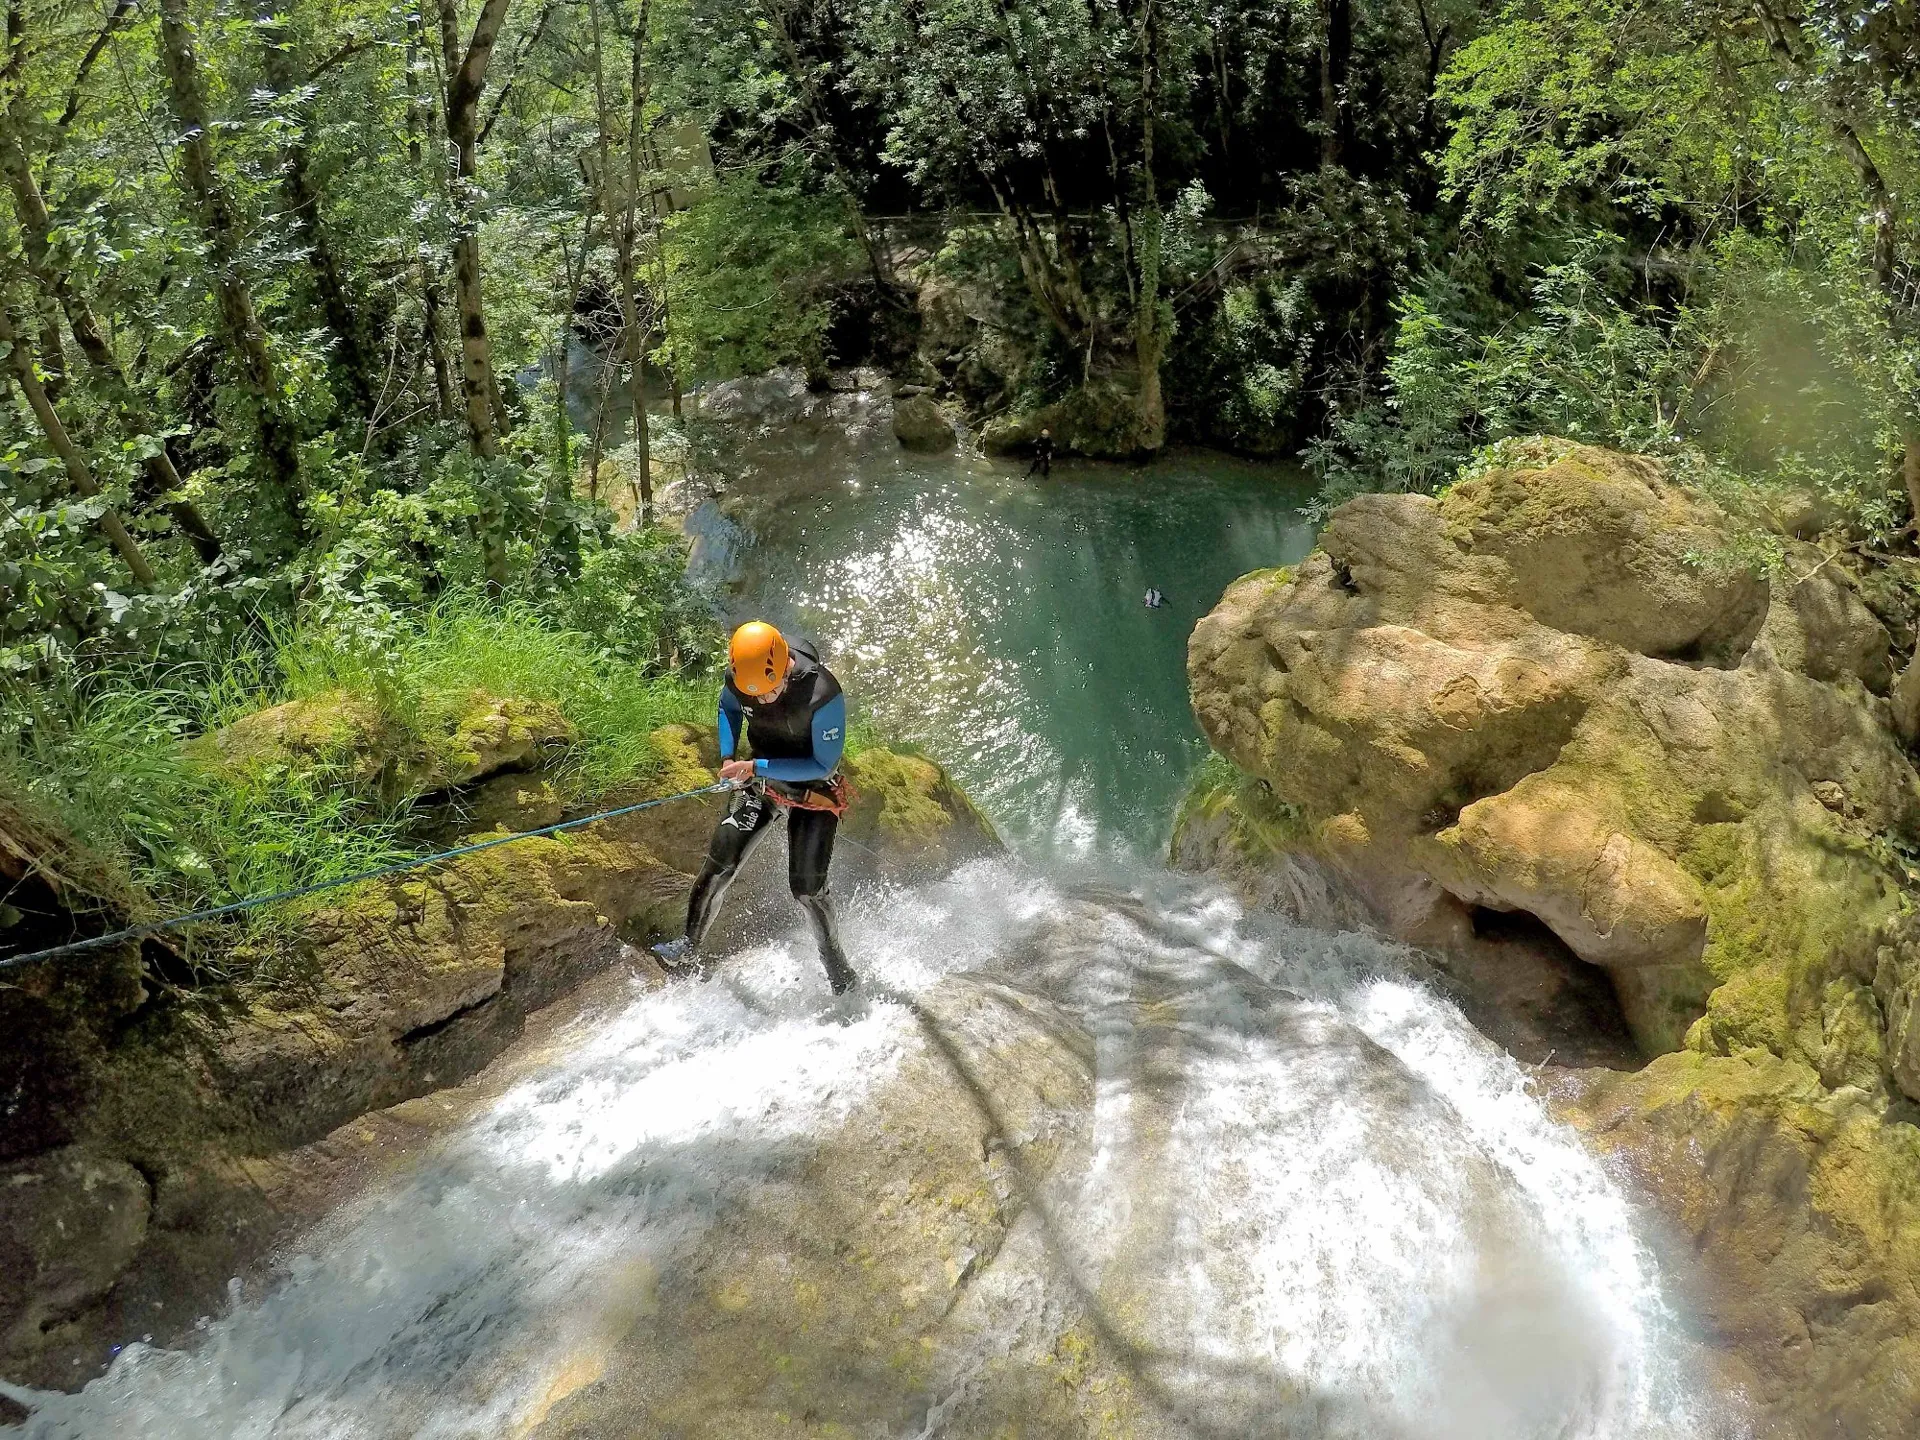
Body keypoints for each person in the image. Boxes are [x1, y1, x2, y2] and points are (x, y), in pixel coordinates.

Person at [653, 621, 858, 994]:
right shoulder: (740, 677)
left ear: (785, 668)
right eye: (757, 695)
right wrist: (729, 755)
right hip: (758, 776)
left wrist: (756, 768)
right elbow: (728, 707)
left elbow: (823, 765)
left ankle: (837, 966)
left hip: (811, 786)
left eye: (771, 692)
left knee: (807, 889)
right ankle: (688, 948)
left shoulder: (822, 693)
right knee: (720, 861)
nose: (764, 700)